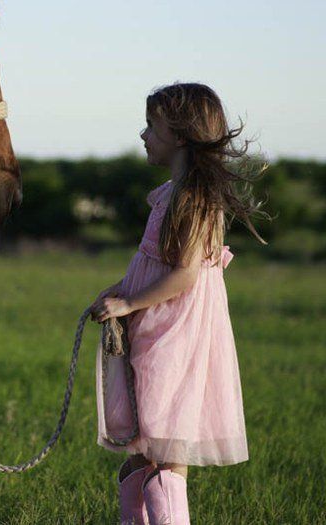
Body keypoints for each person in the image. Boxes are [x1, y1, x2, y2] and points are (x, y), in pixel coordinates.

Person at [90, 83, 266, 524]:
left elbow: (185, 274)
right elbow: (152, 264)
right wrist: (118, 290)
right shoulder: (171, 193)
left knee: (167, 456)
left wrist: (128, 304)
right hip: (153, 328)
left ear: (182, 136)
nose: (143, 135)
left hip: (175, 337)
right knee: (140, 453)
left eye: (152, 126)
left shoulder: (196, 199)